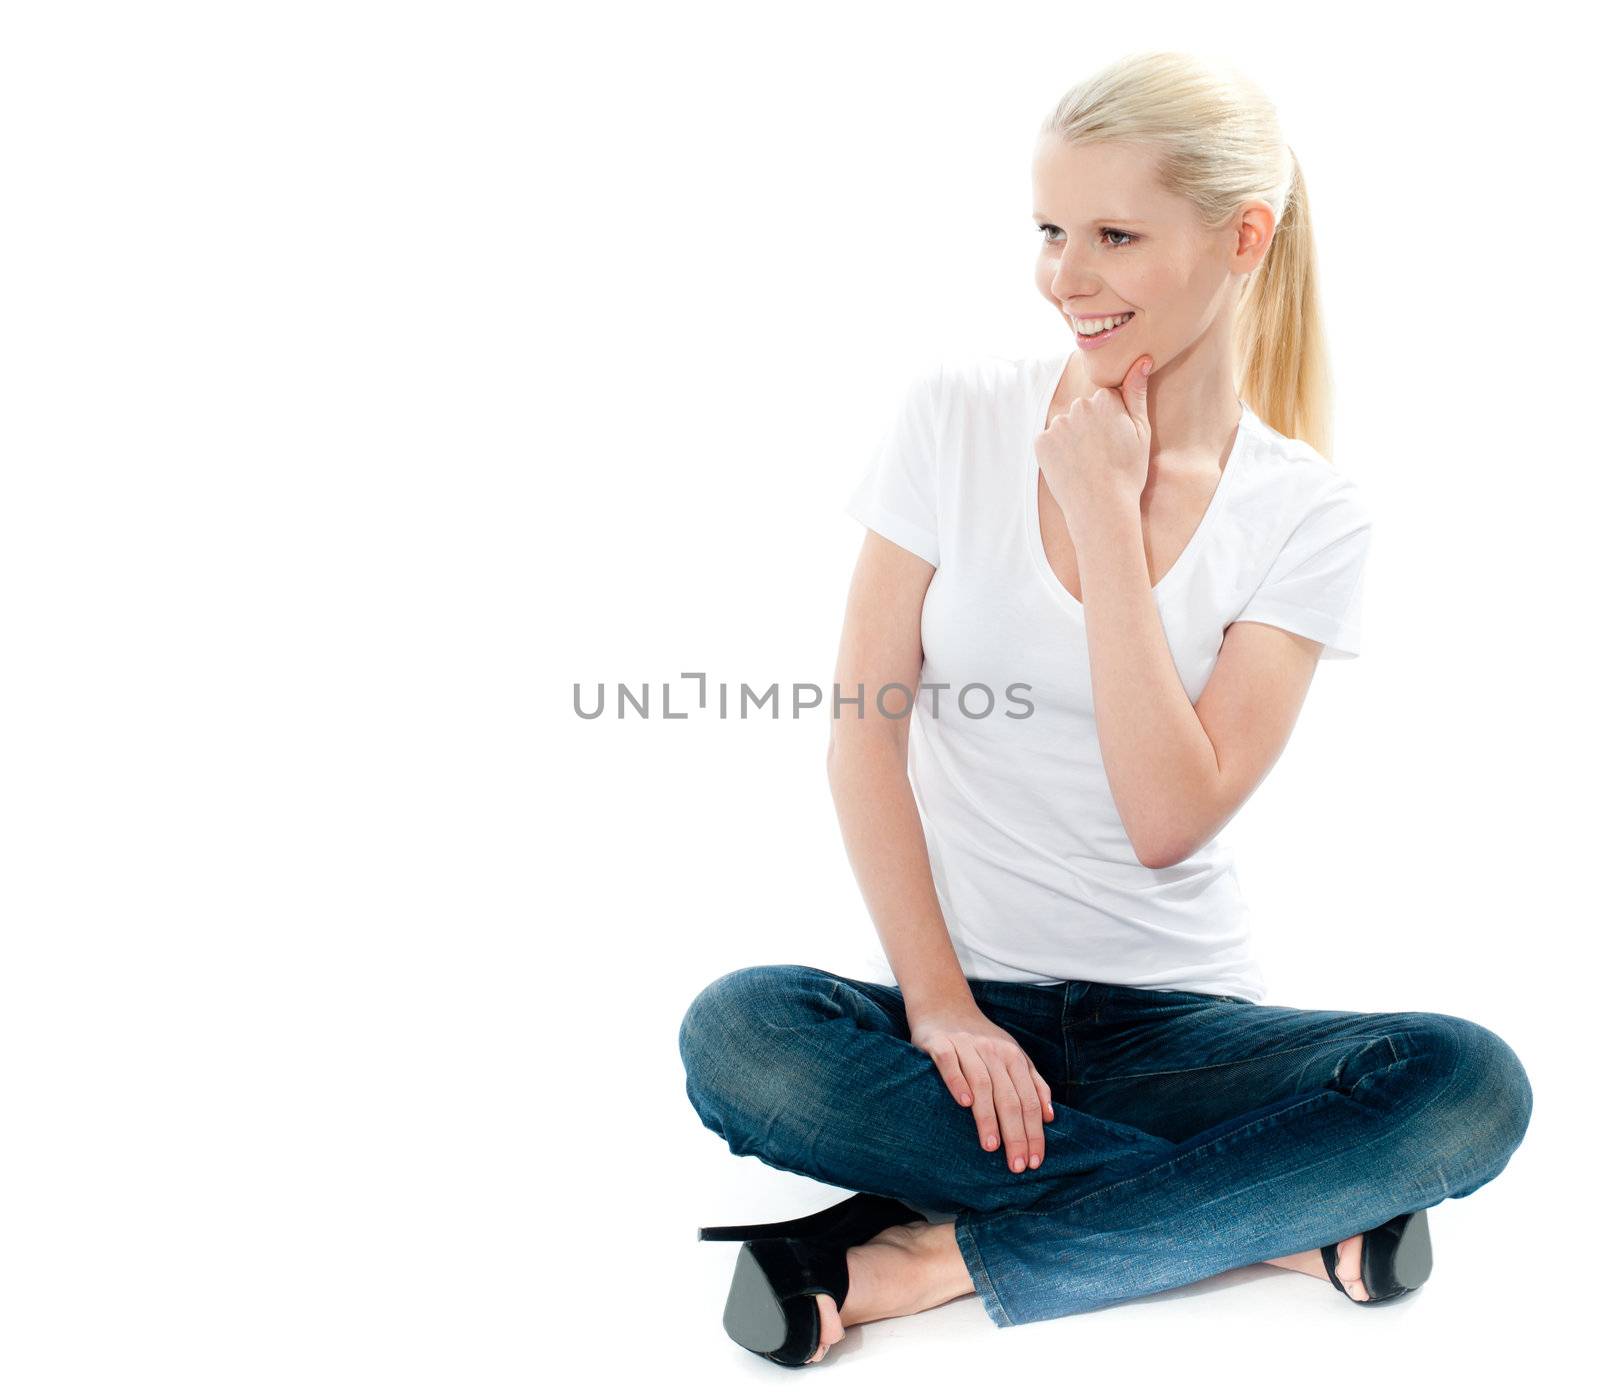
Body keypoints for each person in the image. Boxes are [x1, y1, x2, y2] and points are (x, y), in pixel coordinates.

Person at [677, 50, 1532, 1366]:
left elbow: (1166, 818)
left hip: (1183, 1027)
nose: (1064, 276)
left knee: (1470, 1088)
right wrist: (943, 1005)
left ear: (1242, 239)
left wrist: (1104, 522)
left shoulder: (1307, 515)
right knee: (739, 1033)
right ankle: (1271, 1214)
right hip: (959, 1019)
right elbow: (863, 736)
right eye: (1051, 231)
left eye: (1116, 235)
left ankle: (928, 1254)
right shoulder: (953, 418)